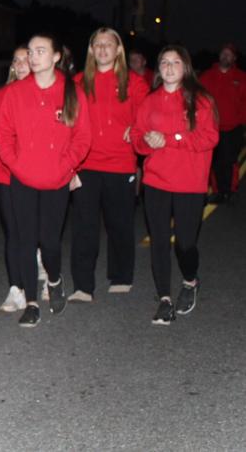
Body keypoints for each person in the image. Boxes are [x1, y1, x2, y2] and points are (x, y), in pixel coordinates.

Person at [0, 33, 92, 327]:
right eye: (31, 51)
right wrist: (15, 164)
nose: (33, 57)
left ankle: (54, 277)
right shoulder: (15, 92)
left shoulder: (71, 92)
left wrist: (65, 166)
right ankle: (32, 302)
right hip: (22, 177)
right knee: (26, 240)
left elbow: (82, 137)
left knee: (49, 241)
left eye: (40, 51)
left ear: (56, 57)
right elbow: (3, 134)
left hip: (57, 179)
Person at [131, 45, 218, 325]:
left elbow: (209, 138)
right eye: (164, 62)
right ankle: (164, 299)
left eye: (175, 62)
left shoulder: (201, 100)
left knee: (185, 243)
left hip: (189, 184)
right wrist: (147, 141)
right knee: (159, 241)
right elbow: (137, 137)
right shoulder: (150, 101)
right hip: (156, 181)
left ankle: (190, 280)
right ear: (158, 69)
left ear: (186, 67)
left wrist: (172, 138)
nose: (169, 67)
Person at [68, 28, 150, 303]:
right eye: (97, 44)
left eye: (108, 44)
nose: (103, 49)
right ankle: (82, 285)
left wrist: (136, 127)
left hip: (120, 164)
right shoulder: (79, 81)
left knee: (120, 225)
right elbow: (68, 121)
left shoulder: (135, 83)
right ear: (91, 50)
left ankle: (121, 275)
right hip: (86, 164)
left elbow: (148, 117)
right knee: (84, 227)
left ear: (118, 50)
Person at [0, 45, 30, 312]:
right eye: (15, 60)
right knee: (14, 232)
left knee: (35, 232)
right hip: (6, 172)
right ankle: (16, 288)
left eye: (26, 59)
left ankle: (42, 278)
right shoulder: (2, 94)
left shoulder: (47, 94)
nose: (19, 64)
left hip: (38, 174)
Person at [200, 43, 246, 204]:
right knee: (212, 161)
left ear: (234, 58)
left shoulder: (241, 77)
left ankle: (228, 191)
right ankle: (217, 190)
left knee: (229, 161)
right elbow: (199, 98)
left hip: (233, 128)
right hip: (211, 127)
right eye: (223, 53)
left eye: (229, 54)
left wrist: (240, 121)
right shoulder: (207, 75)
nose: (225, 56)